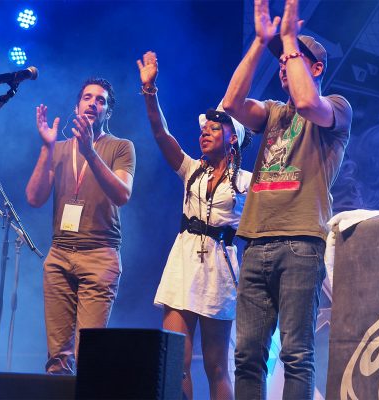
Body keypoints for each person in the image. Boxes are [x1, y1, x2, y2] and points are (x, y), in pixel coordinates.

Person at [222, 0, 353, 398]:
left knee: (296, 354)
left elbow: (309, 102)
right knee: (247, 355)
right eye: (281, 60)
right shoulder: (274, 113)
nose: (284, 64)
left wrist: (290, 39)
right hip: (256, 240)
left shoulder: (338, 108)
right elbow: (230, 104)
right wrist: (262, 43)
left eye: (293, 58)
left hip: (300, 243)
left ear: (315, 68)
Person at [137, 51, 252, 400]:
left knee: (217, 367)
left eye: (215, 129)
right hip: (184, 261)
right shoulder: (191, 170)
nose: (205, 133)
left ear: (233, 138)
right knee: (175, 362)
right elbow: (160, 133)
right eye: (204, 128)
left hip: (220, 266)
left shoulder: (246, 182)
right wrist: (150, 90)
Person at [25, 78, 136, 374]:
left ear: (107, 112)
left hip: (99, 256)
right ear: (77, 106)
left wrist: (89, 151)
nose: (92, 103)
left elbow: (122, 194)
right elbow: (34, 198)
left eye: (100, 100)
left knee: (89, 356)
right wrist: (47, 148)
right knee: (57, 360)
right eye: (87, 97)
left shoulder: (121, 147)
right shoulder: (59, 149)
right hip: (59, 254)